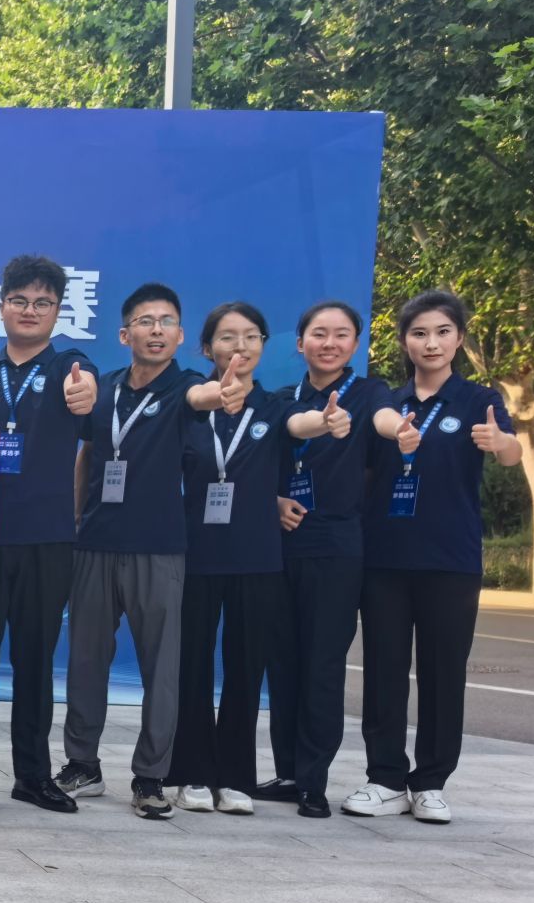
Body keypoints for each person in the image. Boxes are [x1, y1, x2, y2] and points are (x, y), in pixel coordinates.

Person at [347, 289, 519, 823]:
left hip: (450, 559)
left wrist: (500, 442)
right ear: (404, 341)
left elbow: (512, 453)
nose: (431, 343)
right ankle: (385, 779)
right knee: (384, 670)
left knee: (444, 673)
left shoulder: (477, 400)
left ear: (459, 338)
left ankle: (431, 783)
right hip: (385, 558)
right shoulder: (387, 403)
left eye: (443, 332)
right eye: (419, 333)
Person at [166, 302, 322, 814]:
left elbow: (300, 425)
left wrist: (325, 421)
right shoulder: (191, 403)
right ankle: (191, 772)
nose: (240, 346)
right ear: (207, 347)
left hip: (257, 557)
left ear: (263, 345)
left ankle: (235, 777)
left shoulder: (273, 407)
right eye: (228, 337)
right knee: (191, 666)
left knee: (246, 669)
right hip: (194, 554)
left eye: (251, 336)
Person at [0, 254, 100, 816]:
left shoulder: (71, 366)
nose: (30, 310)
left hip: (47, 540)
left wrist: (86, 393)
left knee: (36, 662)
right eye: (19, 300)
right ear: (1, 307)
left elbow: (89, 396)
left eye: (43, 302)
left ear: (58, 311)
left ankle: (34, 776)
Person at [56, 283, 202, 819]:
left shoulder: (188, 388)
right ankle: (83, 765)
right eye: (145, 321)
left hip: (158, 549)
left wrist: (224, 392)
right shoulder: (107, 390)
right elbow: (88, 455)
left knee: (160, 666)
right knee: (85, 660)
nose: (156, 330)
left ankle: (150, 776)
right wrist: (76, 520)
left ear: (180, 335)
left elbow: (206, 400)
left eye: (167, 322)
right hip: (95, 543)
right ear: (125, 334)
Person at [259, 301, 376, 817]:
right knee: (283, 663)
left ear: (355, 344)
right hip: (280, 547)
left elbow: (388, 426)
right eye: (319, 333)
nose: (329, 343)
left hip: (336, 549)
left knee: (323, 666)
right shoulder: (282, 399)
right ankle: (287, 771)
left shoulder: (370, 395)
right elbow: (260, 463)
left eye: (341, 334)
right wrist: (272, 501)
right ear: (300, 342)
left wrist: (393, 429)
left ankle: (313, 780)